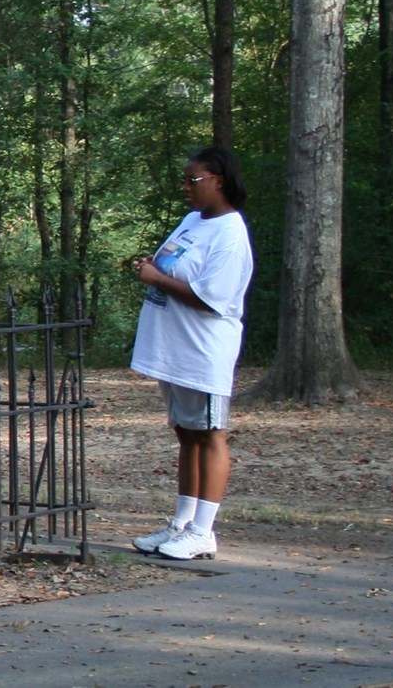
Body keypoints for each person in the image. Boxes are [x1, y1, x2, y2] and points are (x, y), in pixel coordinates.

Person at [128, 146, 254, 560]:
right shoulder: (192, 222)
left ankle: (204, 530)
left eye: (192, 180)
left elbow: (211, 297)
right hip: (174, 349)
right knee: (187, 434)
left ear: (218, 180)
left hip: (204, 352)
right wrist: (153, 267)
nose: (185, 188)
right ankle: (182, 523)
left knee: (210, 434)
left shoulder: (231, 235)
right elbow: (174, 267)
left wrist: (157, 279)